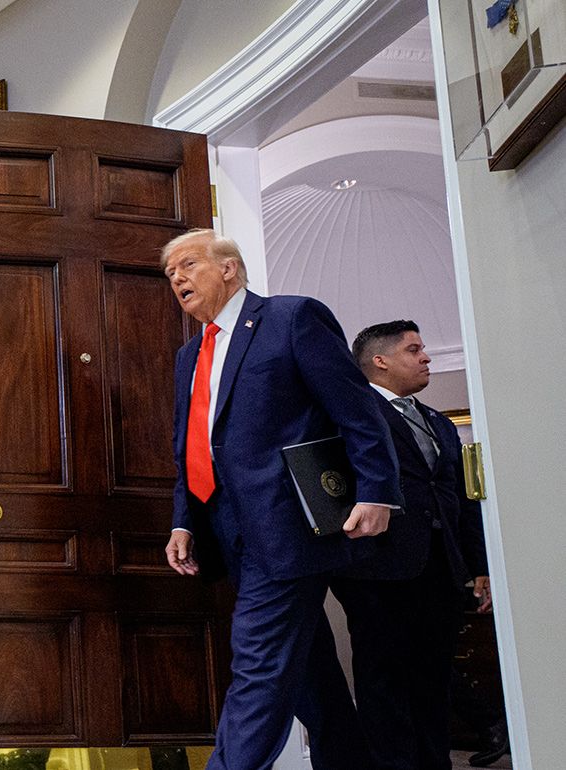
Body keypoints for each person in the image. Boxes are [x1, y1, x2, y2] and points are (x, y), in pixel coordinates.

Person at [160, 229, 401, 770]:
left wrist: (378, 490)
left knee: (259, 664)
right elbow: (192, 446)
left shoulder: (292, 318)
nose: (176, 277)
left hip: (289, 524)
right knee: (311, 672)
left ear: (229, 268)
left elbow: (357, 411)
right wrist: (184, 523)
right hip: (229, 535)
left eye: (188, 264)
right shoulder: (188, 355)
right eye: (169, 271)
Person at [329, 320, 491, 770]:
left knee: (433, 682)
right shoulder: (351, 415)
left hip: (440, 570)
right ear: (380, 361)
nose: (426, 357)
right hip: (377, 571)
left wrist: (478, 565)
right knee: (384, 684)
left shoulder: (437, 421)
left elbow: (462, 498)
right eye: (414, 350)